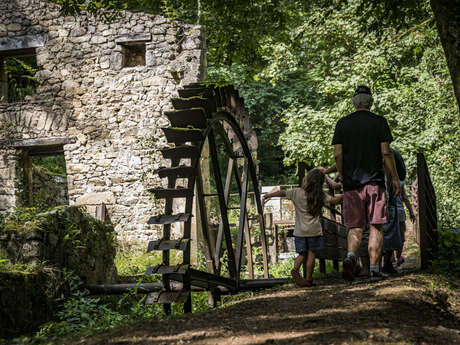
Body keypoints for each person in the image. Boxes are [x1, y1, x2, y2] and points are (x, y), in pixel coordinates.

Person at [331, 85, 400, 281]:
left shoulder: (342, 124)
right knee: (376, 226)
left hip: (352, 184)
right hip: (375, 182)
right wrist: (394, 178)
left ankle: (351, 256)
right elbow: (386, 152)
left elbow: (337, 154)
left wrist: (345, 175)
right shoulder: (379, 122)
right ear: (370, 102)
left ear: (354, 103)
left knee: (355, 226)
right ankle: (374, 269)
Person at [263, 169, 343, 287]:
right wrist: (345, 195)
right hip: (314, 231)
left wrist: (268, 195)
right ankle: (308, 280)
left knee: (301, 254)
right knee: (311, 255)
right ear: (320, 182)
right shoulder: (320, 195)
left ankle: (295, 269)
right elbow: (333, 200)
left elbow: (282, 192)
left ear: (307, 179)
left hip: (300, 231)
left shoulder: (296, 192)